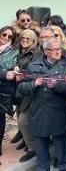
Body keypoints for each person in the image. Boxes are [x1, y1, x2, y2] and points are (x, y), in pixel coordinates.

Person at [17, 38, 66, 171]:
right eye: (53, 50)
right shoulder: (33, 66)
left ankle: (64, 167)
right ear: (45, 51)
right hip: (39, 111)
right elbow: (21, 88)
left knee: (61, 145)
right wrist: (34, 84)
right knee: (41, 147)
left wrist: (57, 85)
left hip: (58, 111)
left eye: (58, 49)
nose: (57, 52)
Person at [14, 29, 42, 162]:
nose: (24, 40)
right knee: (21, 119)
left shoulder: (36, 53)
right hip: (21, 90)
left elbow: (35, 71)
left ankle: (33, 148)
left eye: (28, 39)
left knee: (23, 121)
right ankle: (28, 142)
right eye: (23, 38)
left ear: (34, 41)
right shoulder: (22, 52)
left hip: (31, 91)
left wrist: (20, 73)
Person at [0, 26, 18, 158]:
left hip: (3, 91)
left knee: (0, 120)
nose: (5, 37)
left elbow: (12, 69)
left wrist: (9, 73)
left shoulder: (14, 52)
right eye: (3, 34)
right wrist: (5, 73)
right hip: (3, 81)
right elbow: (6, 72)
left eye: (9, 36)